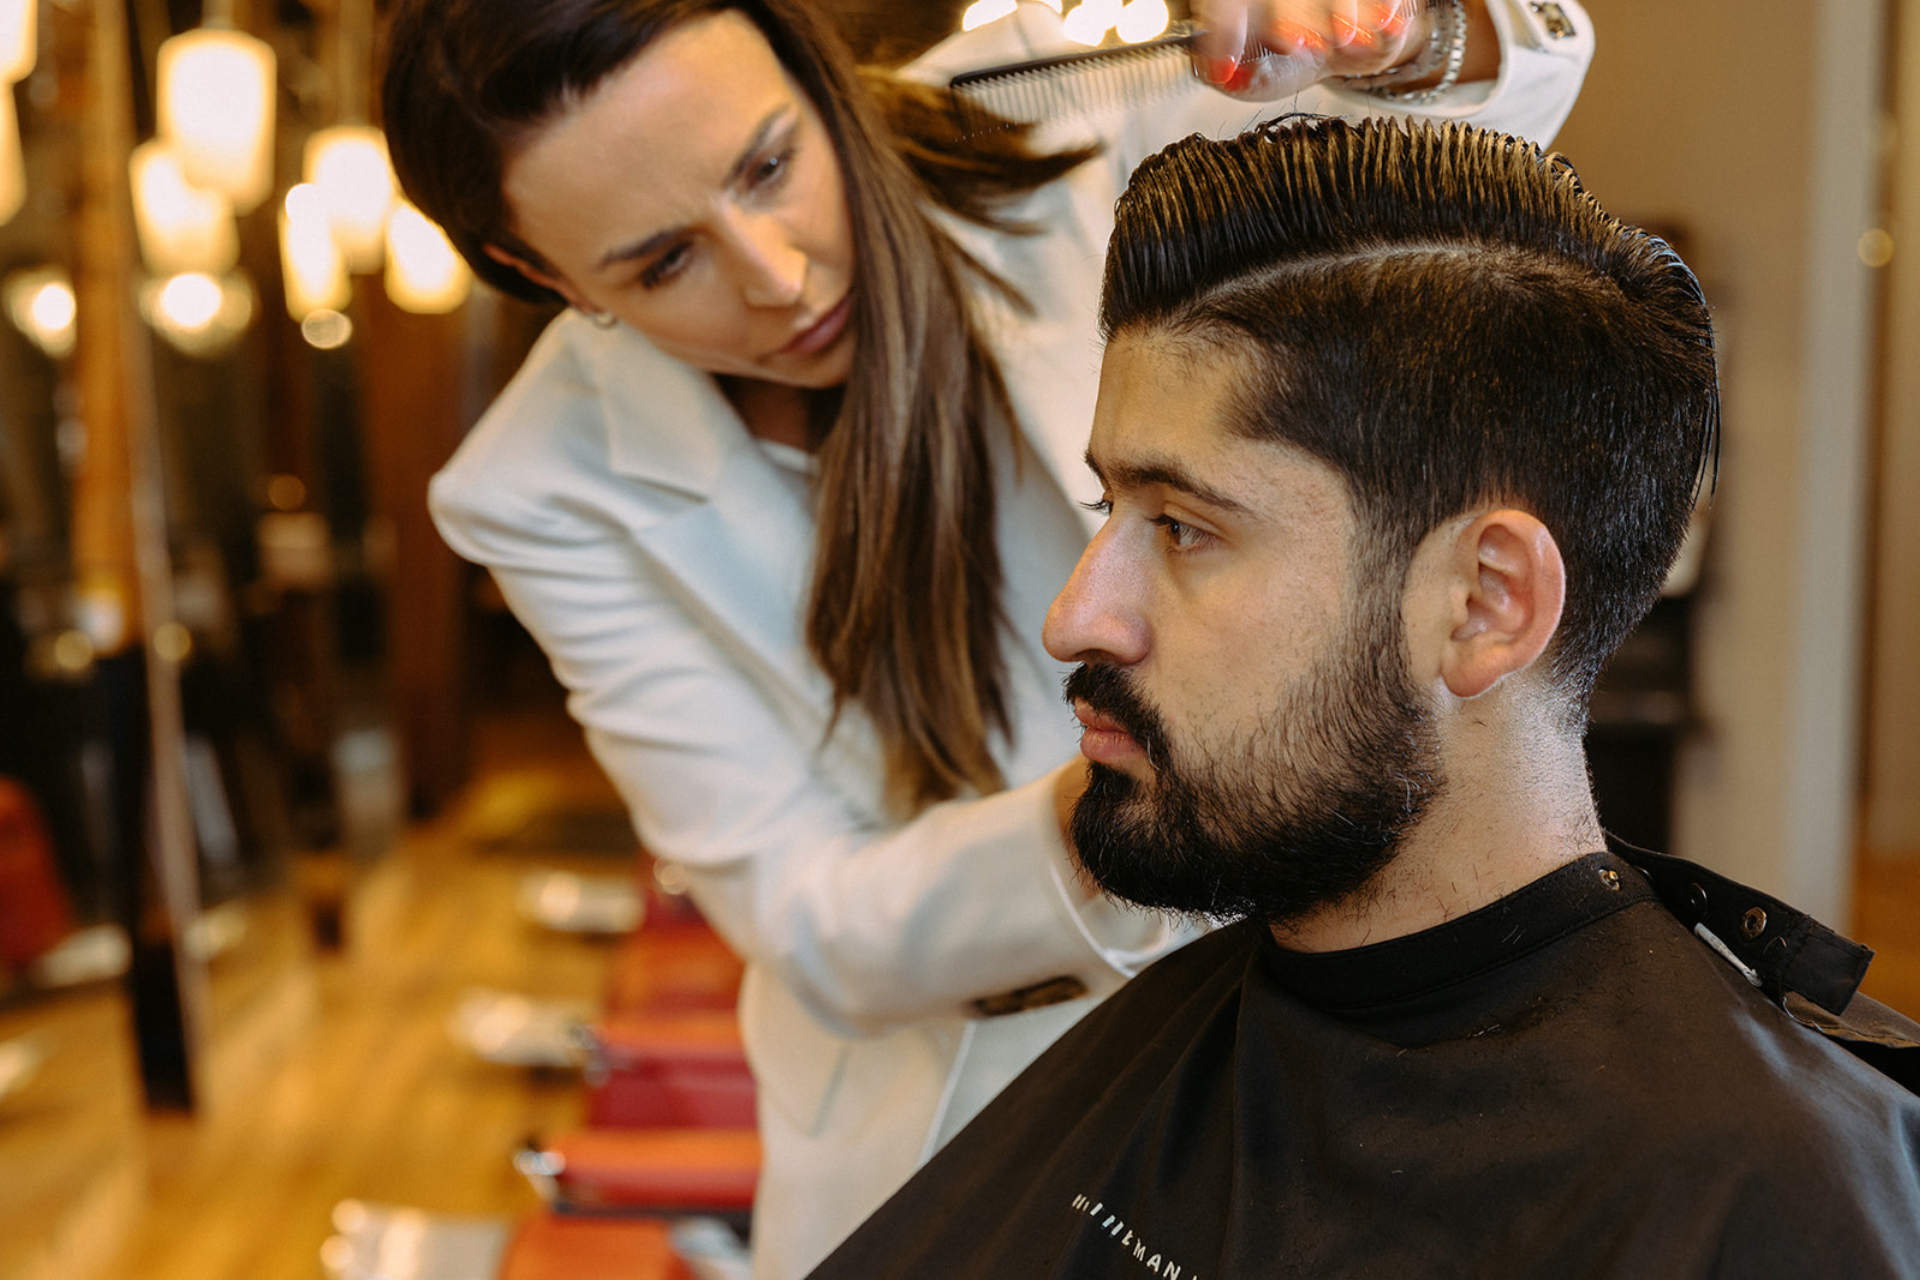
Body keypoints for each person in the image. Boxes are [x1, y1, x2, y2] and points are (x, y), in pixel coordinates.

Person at [380, 2, 1593, 1273]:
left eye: (770, 166)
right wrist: (1153, 791)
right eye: (659, 262)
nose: (778, 275)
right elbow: (810, 916)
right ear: (539, 277)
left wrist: (1386, 34)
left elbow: (1474, 128)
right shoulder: (539, 486)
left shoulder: (1047, 111)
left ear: (808, 63)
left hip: (1341, 1020)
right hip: (944, 1120)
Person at [803, 114, 1920, 1278]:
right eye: (1110, 512)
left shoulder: (1766, 1199)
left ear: (1483, 604)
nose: (1076, 617)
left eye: (1185, 527)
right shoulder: (1183, 1035)